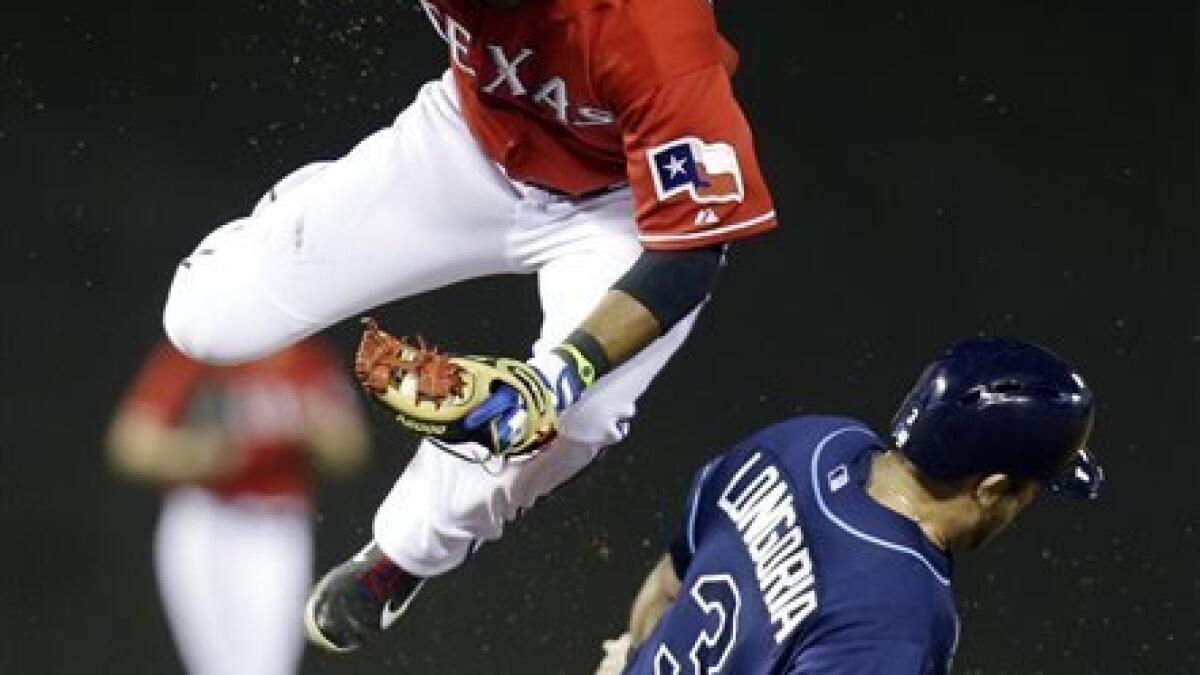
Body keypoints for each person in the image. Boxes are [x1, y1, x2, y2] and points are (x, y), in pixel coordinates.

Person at [160, 0, 778, 653]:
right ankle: (309, 208)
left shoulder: (651, 28)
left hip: (615, 203)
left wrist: (561, 374)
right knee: (204, 320)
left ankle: (405, 551)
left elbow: (688, 251)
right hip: (467, 141)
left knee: (574, 416)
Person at [595, 337, 1104, 674]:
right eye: (1034, 488)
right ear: (992, 487)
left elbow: (667, 586)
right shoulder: (900, 617)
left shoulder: (805, 442)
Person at [107, 338, 369, 675]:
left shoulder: (307, 360)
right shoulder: (203, 350)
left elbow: (350, 450)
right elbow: (130, 445)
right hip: (203, 516)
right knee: (213, 663)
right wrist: (197, 455)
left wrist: (318, 427)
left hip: (275, 525)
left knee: (268, 663)